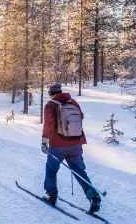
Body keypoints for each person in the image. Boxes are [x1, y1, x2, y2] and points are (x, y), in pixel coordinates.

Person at [41, 83, 101, 213]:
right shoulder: (73, 102)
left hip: (57, 145)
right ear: (60, 91)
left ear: (51, 93)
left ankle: (51, 195)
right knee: (79, 171)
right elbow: (81, 117)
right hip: (76, 144)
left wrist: (44, 141)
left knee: (51, 170)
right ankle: (93, 196)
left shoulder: (50, 105)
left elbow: (49, 124)